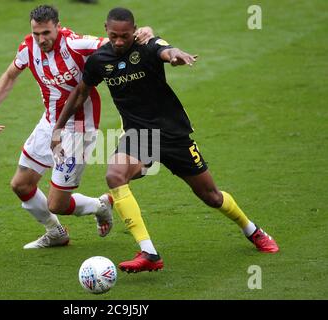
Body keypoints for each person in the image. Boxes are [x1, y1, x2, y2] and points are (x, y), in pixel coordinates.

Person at [51, 7, 279, 272]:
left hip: (174, 135)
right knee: (115, 176)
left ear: (134, 31)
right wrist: (58, 129)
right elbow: (80, 92)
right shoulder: (99, 61)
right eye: (114, 36)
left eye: (125, 36)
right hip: (140, 135)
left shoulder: (146, 45)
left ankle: (252, 230)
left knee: (212, 197)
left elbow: (165, 50)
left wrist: (175, 56)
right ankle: (149, 252)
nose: (119, 41)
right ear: (106, 30)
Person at [0, 5, 154, 249]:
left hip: (79, 131)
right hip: (49, 124)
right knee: (20, 185)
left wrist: (146, 32)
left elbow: (117, 42)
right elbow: (10, 75)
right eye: (36, 34)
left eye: (46, 33)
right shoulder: (28, 47)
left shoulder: (76, 44)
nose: (41, 39)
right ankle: (56, 232)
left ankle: (100, 205)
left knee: (57, 204)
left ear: (58, 27)